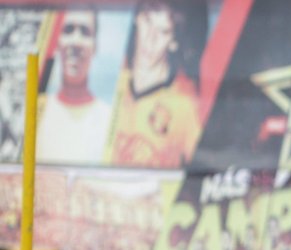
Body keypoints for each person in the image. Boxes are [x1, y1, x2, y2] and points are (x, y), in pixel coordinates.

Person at [108, 0, 207, 168]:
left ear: (174, 42)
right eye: (148, 21)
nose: (150, 39)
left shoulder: (186, 103)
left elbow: (204, 167)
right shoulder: (110, 76)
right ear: (137, 18)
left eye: (163, 31)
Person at [39, 8, 113, 165]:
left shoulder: (109, 120)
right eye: (68, 30)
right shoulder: (35, 114)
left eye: (85, 32)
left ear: (95, 46)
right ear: (57, 42)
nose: (76, 41)